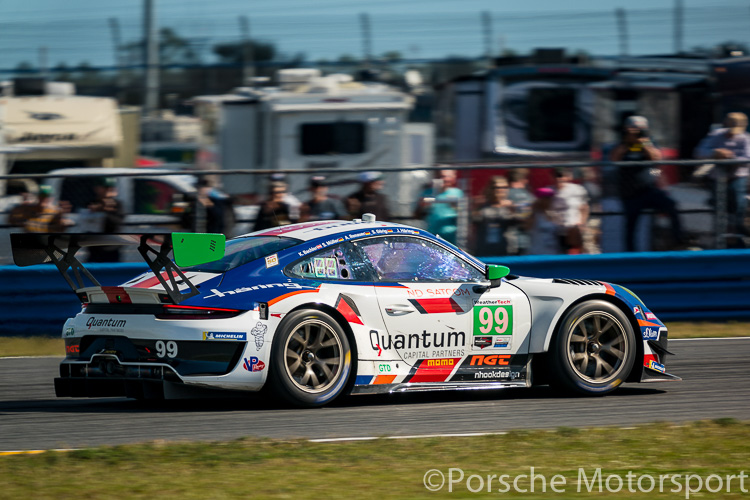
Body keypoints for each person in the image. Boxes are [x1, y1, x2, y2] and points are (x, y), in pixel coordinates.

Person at [611, 115, 683, 252]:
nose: (637, 133)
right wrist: (627, 142)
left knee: (671, 205)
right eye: (634, 130)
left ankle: (678, 240)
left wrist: (645, 143)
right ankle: (630, 254)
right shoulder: (622, 143)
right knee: (631, 225)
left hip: (649, 189)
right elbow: (614, 160)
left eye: (641, 130)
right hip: (630, 191)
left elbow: (657, 161)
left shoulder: (649, 142)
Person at [694, 112, 750, 236]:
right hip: (717, 177)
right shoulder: (716, 135)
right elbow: (699, 151)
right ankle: (720, 235)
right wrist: (715, 153)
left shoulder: (746, 138)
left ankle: (739, 230)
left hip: (737, 177)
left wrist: (731, 157)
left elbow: (747, 157)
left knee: (738, 203)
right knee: (720, 208)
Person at [415, 168, 465, 245]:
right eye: (440, 176)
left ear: (453, 178)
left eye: (446, 176)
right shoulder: (428, 193)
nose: (443, 179)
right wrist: (422, 205)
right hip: (432, 235)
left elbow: (462, 214)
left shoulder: (457, 193)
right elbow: (417, 214)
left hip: (452, 237)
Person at [473, 176, 518, 256]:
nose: (501, 190)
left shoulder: (510, 206)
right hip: (485, 250)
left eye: (504, 187)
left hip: (506, 250)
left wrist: (512, 210)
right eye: (497, 187)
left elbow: (520, 223)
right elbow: (473, 223)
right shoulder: (482, 207)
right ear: (491, 189)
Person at [550, 168, 589, 254]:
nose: (559, 179)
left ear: (567, 177)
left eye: (561, 176)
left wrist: (582, 223)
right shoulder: (549, 191)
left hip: (573, 230)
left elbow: (584, 207)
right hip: (556, 230)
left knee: (574, 255)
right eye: (557, 176)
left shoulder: (577, 189)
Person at [87, 178, 124, 262]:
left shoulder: (117, 204)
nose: (108, 190)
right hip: (94, 245)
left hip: (111, 246)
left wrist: (105, 211)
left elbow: (117, 222)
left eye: (111, 188)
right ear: (97, 189)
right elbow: (86, 222)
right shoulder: (92, 203)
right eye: (105, 188)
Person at [507, 168, 534, 255]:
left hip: (507, 240)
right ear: (524, 180)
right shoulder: (530, 196)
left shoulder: (502, 194)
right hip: (526, 239)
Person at [528, 187, 562, 255]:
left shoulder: (553, 214)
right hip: (538, 253)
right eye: (547, 198)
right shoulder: (534, 214)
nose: (550, 201)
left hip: (553, 252)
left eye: (551, 199)